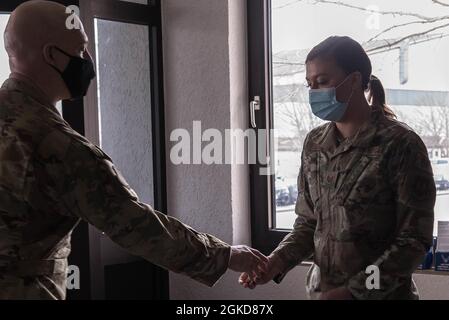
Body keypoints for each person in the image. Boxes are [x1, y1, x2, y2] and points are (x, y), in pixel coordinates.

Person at [0, 0, 267, 299]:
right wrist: (227, 255)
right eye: (79, 51)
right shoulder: (59, 146)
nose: (88, 59)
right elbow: (137, 226)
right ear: (51, 55)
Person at [239, 36, 436, 300]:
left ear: (354, 80)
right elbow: (308, 223)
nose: (314, 92)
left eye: (322, 82)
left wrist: (355, 292)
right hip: (323, 293)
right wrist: (276, 261)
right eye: (309, 84)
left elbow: (413, 240)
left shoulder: (400, 144)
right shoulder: (315, 144)